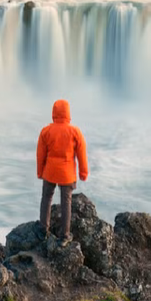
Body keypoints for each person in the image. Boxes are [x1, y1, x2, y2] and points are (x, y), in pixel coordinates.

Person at [37, 99, 88, 243]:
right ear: (68, 114)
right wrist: (83, 173)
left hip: (50, 172)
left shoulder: (46, 131)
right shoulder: (75, 132)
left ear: (53, 113)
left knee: (46, 198)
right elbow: (82, 154)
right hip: (67, 174)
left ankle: (43, 230)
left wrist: (40, 172)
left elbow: (40, 154)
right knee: (66, 203)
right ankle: (64, 236)